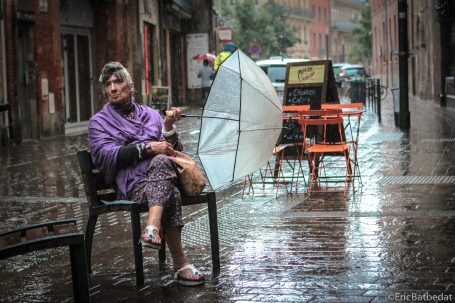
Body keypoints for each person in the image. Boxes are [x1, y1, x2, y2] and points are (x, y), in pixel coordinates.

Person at [88, 62, 205, 286]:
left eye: (118, 81)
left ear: (131, 86)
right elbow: (104, 154)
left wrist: (168, 128)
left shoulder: (151, 115)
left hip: (163, 180)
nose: (113, 88)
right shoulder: (99, 123)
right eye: (108, 84)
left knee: (164, 165)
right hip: (134, 187)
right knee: (169, 184)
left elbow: (178, 153)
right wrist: (148, 148)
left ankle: (152, 230)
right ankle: (180, 262)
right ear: (104, 90)